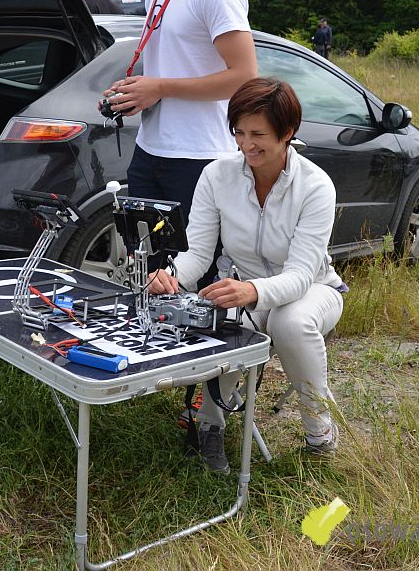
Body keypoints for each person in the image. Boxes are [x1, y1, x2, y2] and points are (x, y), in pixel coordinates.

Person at [148, 78, 346, 473]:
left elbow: (300, 276)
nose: (245, 144)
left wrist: (252, 290)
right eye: (239, 132)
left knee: (290, 322)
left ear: (288, 132)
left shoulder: (316, 186)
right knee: (217, 317)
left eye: (258, 135)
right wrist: (170, 276)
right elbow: (197, 253)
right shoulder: (216, 175)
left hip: (313, 290)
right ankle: (210, 425)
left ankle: (320, 433)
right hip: (241, 286)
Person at [102, 0, 257, 285]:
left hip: (199, 158)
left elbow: (244, 76)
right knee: (150, 274)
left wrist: (160, 87)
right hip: (149, 151)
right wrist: (136, 93)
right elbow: (173, 66)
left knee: (195, 282)